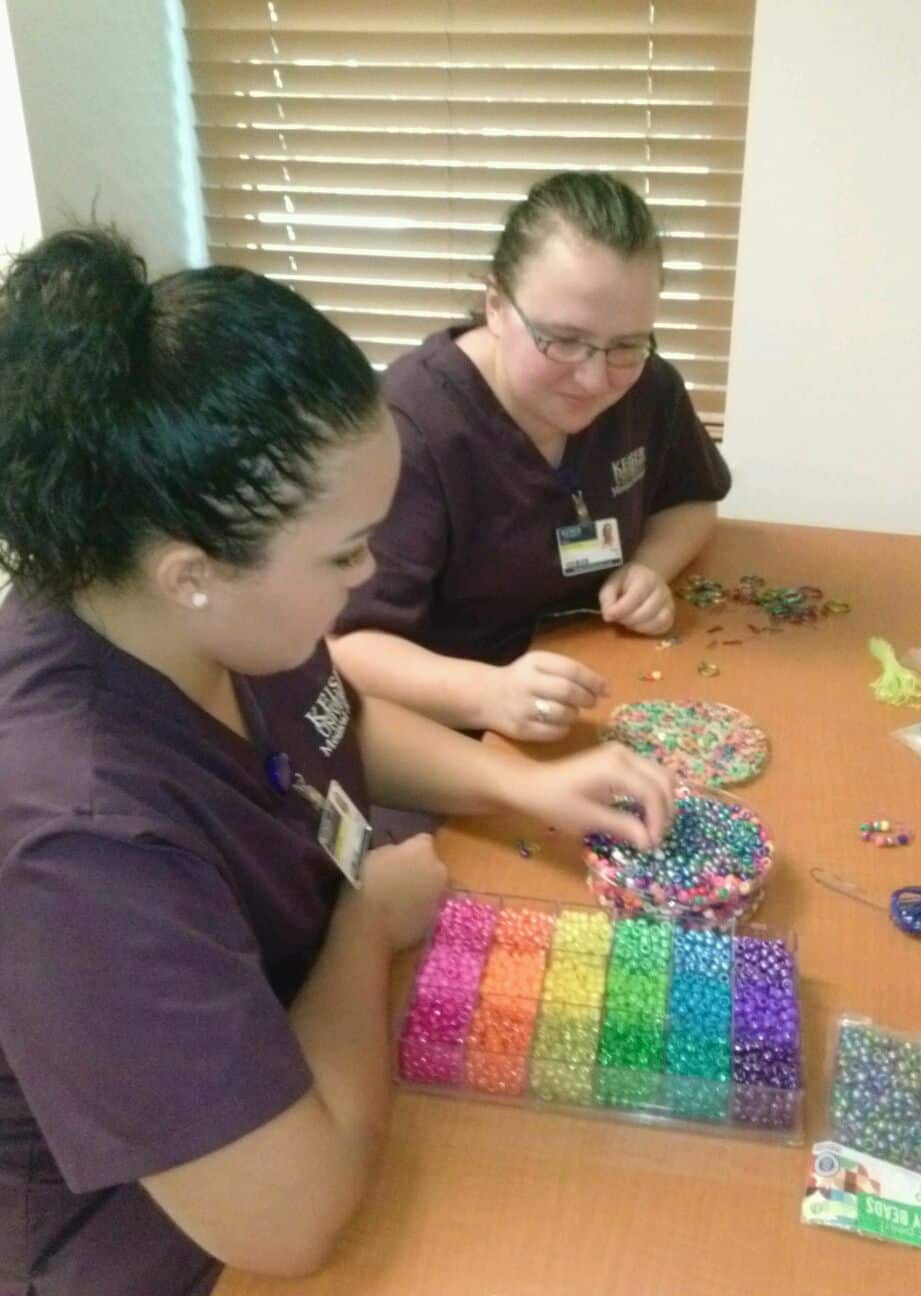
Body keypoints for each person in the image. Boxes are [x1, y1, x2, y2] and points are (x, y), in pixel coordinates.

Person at [0, 228, 674, 1296]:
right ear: (193, 574)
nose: (368, 577)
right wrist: (368, 920)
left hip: (312, 1026)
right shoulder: (75, 844)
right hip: (172, 1241)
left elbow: (330, 714)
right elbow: (288, 1219)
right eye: (343, 554)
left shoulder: (174, 599)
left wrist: (521, 784)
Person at [331, 171, 732, 744]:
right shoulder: (410, 430)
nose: (596, 379)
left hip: (597, 682)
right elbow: (350, 647)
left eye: (626, 345)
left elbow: (692, 501)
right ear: (496, 305)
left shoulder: (648, 386)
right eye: (563, 340)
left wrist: (648, 568)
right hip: (449, 732)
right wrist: (487, 693)